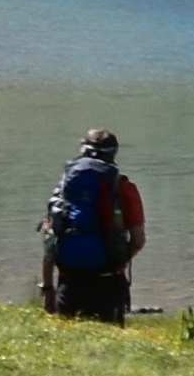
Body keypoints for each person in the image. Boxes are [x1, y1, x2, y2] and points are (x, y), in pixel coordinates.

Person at [40, 127, 148, 322]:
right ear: (114, 154)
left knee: (69, 337)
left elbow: (50, 238)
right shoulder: (123, 187)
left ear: (82, 151)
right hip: (108, 279)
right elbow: (138, 241)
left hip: (69, 280)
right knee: (108, 338)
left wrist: (48, 289)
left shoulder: (65, 187)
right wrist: (118, 258)